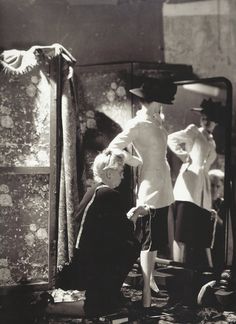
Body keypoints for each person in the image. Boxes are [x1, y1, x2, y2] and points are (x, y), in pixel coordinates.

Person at [108, 77, 177, 308]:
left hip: (163, 184)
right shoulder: (137, 124)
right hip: (150, 187)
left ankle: (150, 287)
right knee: (149, 241)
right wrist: (134, 161)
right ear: (154, 101)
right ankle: (146, 295)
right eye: (161, 101)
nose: (163, 105)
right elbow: (113, 147)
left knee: (155, 240)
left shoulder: (157, 120)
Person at [48, 149, 141, 318]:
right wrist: (133, 217)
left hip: (84, 259)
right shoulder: (109, 194)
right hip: (92, 264)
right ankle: (49, 308)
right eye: (120, 172)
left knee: (128, 247)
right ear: (108, 173)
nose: (122, 177)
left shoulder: (94, 190)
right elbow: (124, 231)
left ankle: (108, 296)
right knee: (132, 246)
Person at [167, 98, 224, 267]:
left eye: (210, 118)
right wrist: (185, 156)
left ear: (216, 121)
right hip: (189, 186)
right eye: (204, 118)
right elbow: (171, 139)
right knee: (182, 233)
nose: (206, 121)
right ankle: (178, 269)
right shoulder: (194, 131)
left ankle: (205, 270)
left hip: (203, 190)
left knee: (202, 235)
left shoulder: (212, 141)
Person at [208, 168, 225, 274]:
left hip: (219, 251)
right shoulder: (202, 202)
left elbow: (227, 229)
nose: (214, 189)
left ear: (222, 188)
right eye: (212, 185)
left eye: (217, 186)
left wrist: (216, 218)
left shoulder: (224, 205)